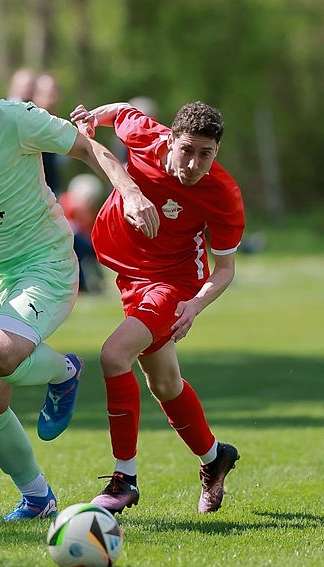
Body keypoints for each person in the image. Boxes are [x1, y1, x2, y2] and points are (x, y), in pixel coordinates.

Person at [0, 48, 157, 521]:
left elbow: (86, 146)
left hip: (47, 263)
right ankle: (37, 497)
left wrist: (131, 191)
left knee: (0, 355)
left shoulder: (16, 119)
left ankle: (64, 372)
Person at [70, 99, 245, 514]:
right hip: (131, 278)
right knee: (165, 384)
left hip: (173, 285)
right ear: (170, 139)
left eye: (206, 155)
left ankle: (124, 479)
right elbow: (122, 110)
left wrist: (194, 305)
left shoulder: (222, 194)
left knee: (114, 355)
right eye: (187, 150)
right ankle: (215, 457)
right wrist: (95, 117)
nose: (194, 164)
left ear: (216, 153)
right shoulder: (146, 137)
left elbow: (224, 270)